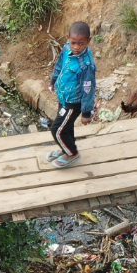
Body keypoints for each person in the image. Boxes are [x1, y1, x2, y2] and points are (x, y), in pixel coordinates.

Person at [49, 21, 96, 168]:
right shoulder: (67, 49)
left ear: (88, 41)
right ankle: (66, 148)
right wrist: (53, 80)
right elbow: (59, 66)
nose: (76, 47)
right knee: (65, 127)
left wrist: (86, 112)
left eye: (81, 44)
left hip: (73, 102)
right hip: (63, 97)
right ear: (68, 38)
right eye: (73, 42)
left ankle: (72, 153)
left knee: (57, 129)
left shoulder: (86, 65)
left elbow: (88, 89)